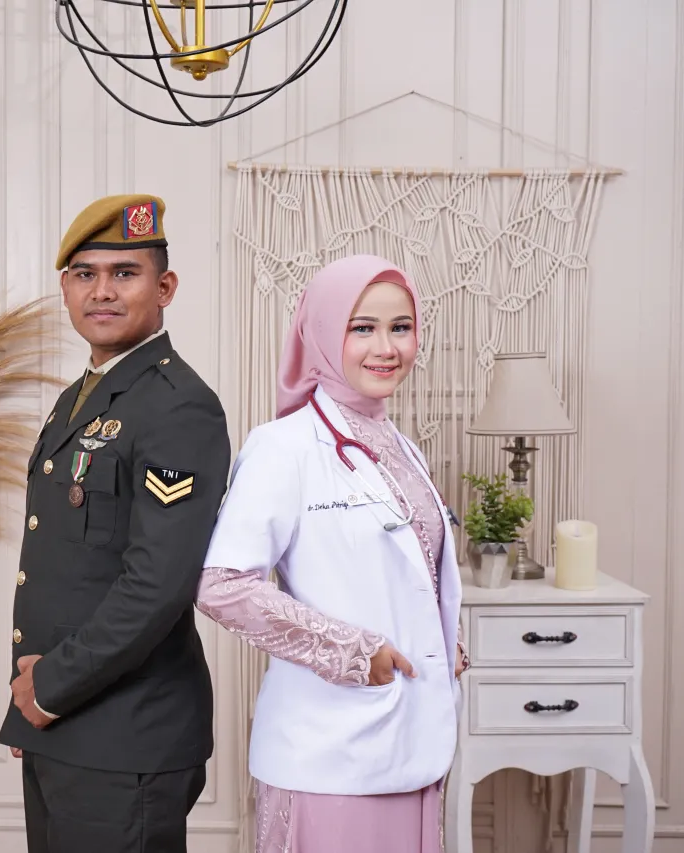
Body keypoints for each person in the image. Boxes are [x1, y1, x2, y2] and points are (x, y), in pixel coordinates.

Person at [194, 254, 469, 852]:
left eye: (401, 327)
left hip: (414, 741)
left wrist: (443, 640)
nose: (386, 348)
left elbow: (410, 576)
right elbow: (222, 585)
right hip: (329, 752)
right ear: (320, 332)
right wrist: (353, 652)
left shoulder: (403, 448)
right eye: (361, 327)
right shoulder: (283, 447)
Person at [0, 193, 233, 853]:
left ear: (165, 288)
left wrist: (49, 687)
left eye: (124, 273)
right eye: (85, 274)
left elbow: (158, 583)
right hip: (66, 719)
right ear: (66, 288)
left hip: (126, 732)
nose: (101, 291)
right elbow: (62, 565)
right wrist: (32, 701)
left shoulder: (178, 406)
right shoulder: (81, 398)